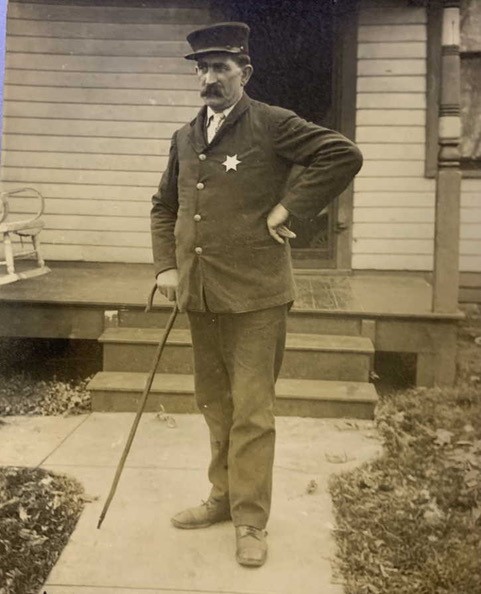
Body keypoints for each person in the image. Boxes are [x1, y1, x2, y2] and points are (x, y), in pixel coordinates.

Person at [151, 21, 362, 568]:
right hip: (200, 294)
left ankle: (250, 520)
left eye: (221, 67)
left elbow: (342, 154)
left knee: (251, 410)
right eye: (202, 68)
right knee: (214, 404)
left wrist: (288, 207)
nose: (210, 78)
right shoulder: (185, 136)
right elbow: (165, 206)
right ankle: (222, 497)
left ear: (244, 72)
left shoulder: (272, 123)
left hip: (256, 296)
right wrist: (166, 267)